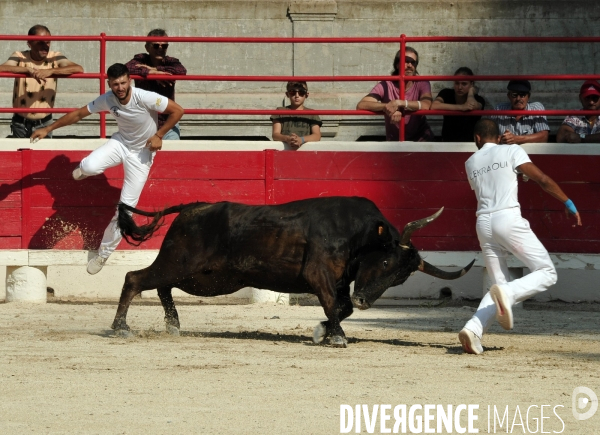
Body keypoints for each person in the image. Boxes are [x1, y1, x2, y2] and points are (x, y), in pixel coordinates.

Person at [30, 63, 184, 275]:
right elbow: (78, 114)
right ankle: (84, 171)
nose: (120, 88)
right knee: (88, 165)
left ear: (129, 80)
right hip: (120, 143)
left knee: (125, 211)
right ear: (109, 84)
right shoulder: (107, 99)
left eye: (123, 83)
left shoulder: (144, 96)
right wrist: (48, 128)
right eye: (115, 84)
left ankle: (103, 253)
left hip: (142, 153)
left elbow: (178, 111)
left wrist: (159, 135)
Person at [458, 119, 581, 355]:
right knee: (547, 273)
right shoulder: (512, 150)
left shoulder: (470, 162)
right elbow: (542, 179)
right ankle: (510, 293)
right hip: (508, 219)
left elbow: (494, 181)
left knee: (497, 285)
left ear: (477, 138)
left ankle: (473, 329)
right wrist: (567, 201)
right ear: (500, 135)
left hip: (483, 223)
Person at [0, 24, 83, 138]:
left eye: (48, 42)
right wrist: (26, 70)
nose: (45, 46)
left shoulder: (55, 57)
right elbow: (2, 68)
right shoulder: (20, 56)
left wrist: (51, 71)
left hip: (44, 123)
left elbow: (78, 69)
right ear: (29, 43)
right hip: (20, 123)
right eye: (40, 42)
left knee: (42, 155)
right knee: (19, 154)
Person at [356, 47, 434, 142]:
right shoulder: (387, 84)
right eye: (406, 61)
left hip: (421, 140)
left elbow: (426, 105)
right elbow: (362, 105)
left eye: (413, 62)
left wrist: (399, 103)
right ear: (397, 64)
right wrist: (389, 107)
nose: (410, 65)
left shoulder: (422, 82)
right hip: (394, 143)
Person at [125, 29, 187, 140]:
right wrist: (149, 73)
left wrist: (156, 69)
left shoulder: (171, 61)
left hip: (167, 122)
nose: (160, 49)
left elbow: (181, 71)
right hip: (143, 121)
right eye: (156, 46)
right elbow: (126, 68)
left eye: (164, 46)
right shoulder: (140, 59)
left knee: (172, 154)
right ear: (147, 47)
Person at [431, 67, 485, 142]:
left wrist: (471, 92)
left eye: (464, 84)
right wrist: (461, 107)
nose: (459, 87)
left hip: (469, 144)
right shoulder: (446, 93)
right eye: (457, 83)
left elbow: (472, 105)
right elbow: (434, 106)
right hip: (447, 142)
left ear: (471, 84)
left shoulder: (479, 99)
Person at [488, 80, 549, 144]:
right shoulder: (499, 109)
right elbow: (488, 136)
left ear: (528, 96)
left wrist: (517, 139)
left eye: (522, 95)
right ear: (508, 96)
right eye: (514, 95)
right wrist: (501, 139)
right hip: (505, 153)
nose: (518, 99)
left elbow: (544, 137)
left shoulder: (536, 108)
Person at [271, 81, 322, 149]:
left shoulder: (312, 113)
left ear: (306, 94)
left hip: (306, 153)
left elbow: (317, 135)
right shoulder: (280, 111)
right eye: (292, 92)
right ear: (287, 94)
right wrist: (288, 139)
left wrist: (301, 140)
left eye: (301, 92)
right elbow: (275, 135)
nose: (297, 96)